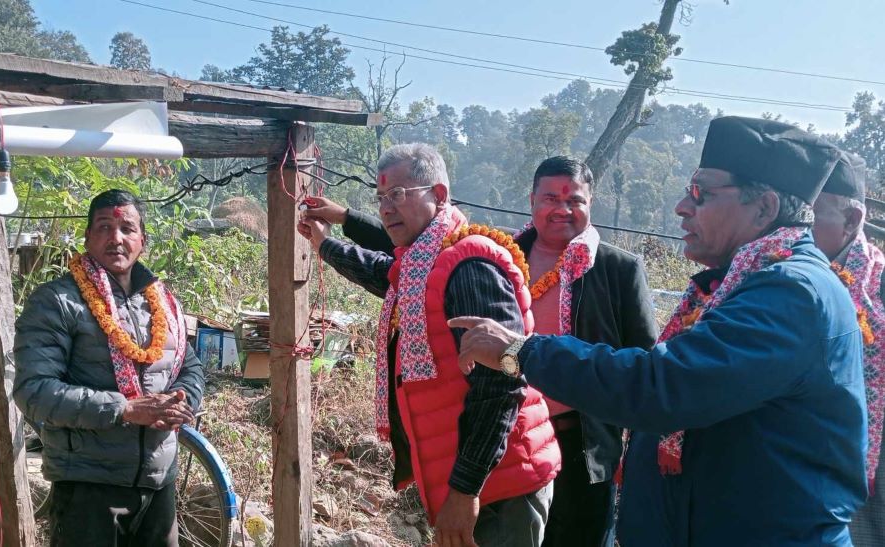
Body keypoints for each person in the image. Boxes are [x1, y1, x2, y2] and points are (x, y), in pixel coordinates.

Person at [447, 117, 867, 546]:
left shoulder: (790, 291)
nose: (683, 207)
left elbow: (662, 384)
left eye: (702, 193)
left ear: (764, 207)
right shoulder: (742, 281)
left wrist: (522, 352)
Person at [303, 155, 660, 547]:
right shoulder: (482, 250)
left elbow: (639, 372)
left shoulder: (606, 267)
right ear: (532, 201)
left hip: (577, 443)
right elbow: (396, 264)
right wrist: (336, 230)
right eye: (549, 199)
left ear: (590, 204)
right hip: (502, 449)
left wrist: (639, 456)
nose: (561, 209)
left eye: (573, 200)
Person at [299, 143, 559, 546]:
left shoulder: (470, 265)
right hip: (476, 478)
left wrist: (464, 491)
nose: (386, 208)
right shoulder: (425, 264)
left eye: (399, 194)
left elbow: (501, 385)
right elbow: (384, 274)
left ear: (438, 195)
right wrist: (328, 242)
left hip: (499, 485)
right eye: (381, 197)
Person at [13, 189, 204, 547]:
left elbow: (188, 364)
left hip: (159, 481)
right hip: (89, 486)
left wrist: (181, 400)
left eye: (127, 228)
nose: (116, 238)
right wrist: (126, 410)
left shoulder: (163, 303)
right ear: (87, 238)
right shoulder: (56, 302)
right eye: (104, 226)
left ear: (142, 241)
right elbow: (33, 391)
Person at [812, 152, 884, 547]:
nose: (797, 227)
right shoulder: (787, 277)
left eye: (811, 215)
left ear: (853, 221)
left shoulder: (880, 284)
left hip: (872, 465)